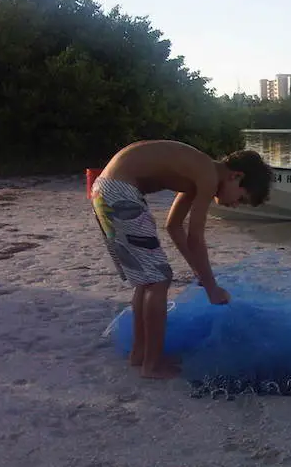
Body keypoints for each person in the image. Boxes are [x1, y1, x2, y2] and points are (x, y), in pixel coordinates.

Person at [90, 140, 272, 379]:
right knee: (158, 280)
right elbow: (195, 238)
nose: (236, 205)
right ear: (235, 176)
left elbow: (174, 226)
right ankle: (151, 365)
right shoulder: (207, 174)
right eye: (241, 198)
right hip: (119, 191)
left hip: (103, 190)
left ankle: (140, 354)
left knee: (147, 280)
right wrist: (211, 287)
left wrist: (199, 273)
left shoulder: (198, 170)